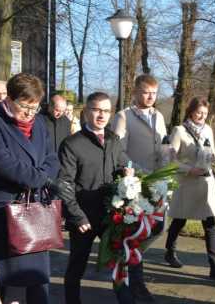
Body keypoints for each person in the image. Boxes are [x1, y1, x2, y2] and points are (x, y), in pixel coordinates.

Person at [0, 73, 60, 304]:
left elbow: (52, 158)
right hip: (4, 213)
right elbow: (2, 162)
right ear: (9, 99)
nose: (29, 113)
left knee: (37, 284)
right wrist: (40, 179)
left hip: (35, 216)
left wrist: (44, 177)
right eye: (24, 106)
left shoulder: (39, 123)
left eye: (35, 107)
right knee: (7, 286)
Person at [58, 92, 134, 304]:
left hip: (112, 216)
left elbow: (123, 163)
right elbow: (64, 184)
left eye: (106, 110)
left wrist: (127, 171)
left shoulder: (113, 139)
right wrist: (76, 216)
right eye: (97, 109)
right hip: (84, 217)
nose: (102, 115)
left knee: (121, 262)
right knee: (77, 265)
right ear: (86, 112)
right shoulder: (72, 144)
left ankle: (126, 300)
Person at [112, 74, 167, 302]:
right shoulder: (123, 116)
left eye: (154, 92)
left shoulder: (159, 116)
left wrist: (168, 162)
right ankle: (129, 284)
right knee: (132, 235)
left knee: (155, 229)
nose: (150, 96)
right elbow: (118, 151)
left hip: (159, 184)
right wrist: (139, 171)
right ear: (135, 92)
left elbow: (163, 145)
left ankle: (135, 280)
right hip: (134, 187)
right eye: (146, 92)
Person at [164, 97, 215, 280]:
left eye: (205, 113)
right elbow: (171, 160)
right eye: (199, 113)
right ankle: (169, 251)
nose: (202, 117)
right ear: (190, 111)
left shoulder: (208, 129)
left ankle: (214, 266)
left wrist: (214, 158)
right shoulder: (179, 131)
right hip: (187, 183)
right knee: (180, 219)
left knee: (211, 223)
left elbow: (212, 151)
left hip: (206, 182)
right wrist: (190, 169)